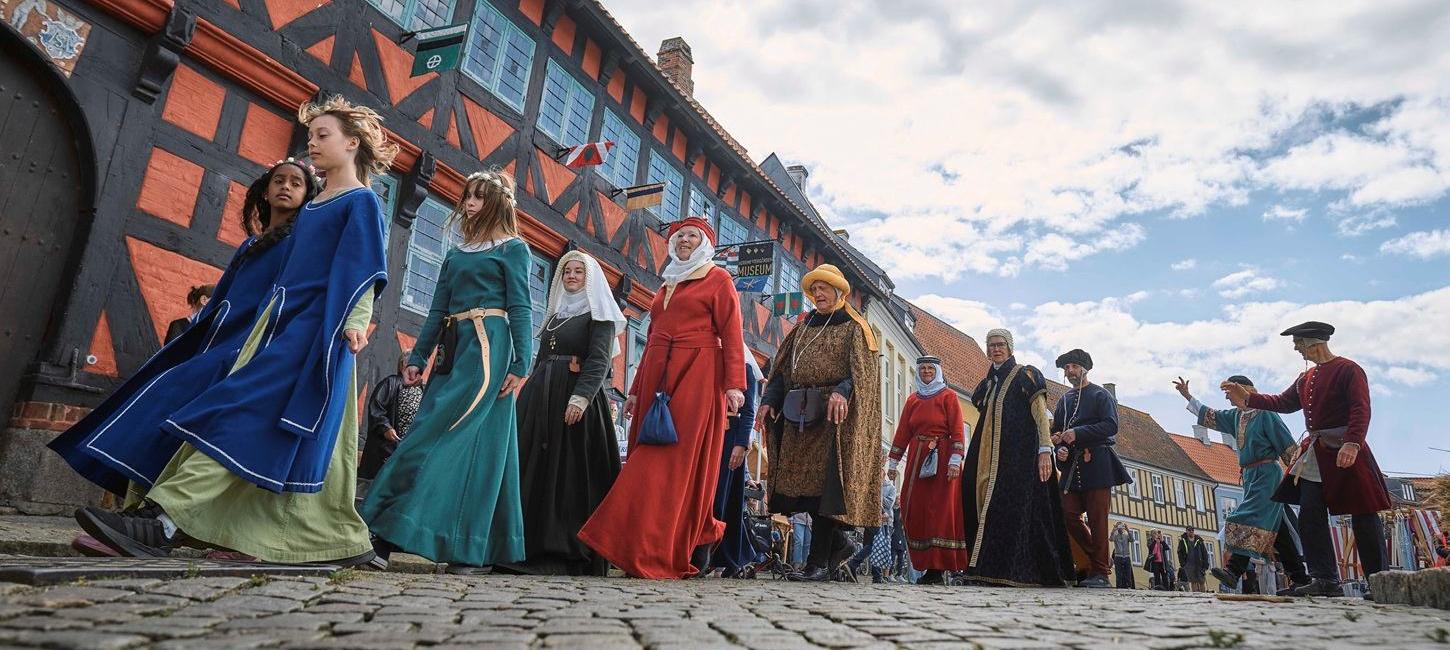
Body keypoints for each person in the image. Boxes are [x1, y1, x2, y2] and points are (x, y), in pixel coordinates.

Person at [69, 97, 395, 565]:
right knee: (254, 421)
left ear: (352, 143)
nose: (313, 144)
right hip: (274, 325)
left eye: (323, 135)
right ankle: (318, 540)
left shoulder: (360, 201)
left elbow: (365, 272)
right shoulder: (313, 206)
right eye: (311, 137)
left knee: (238, 413)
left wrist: (355, 323)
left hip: (314, 331)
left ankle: (163, 522)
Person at [53, 158, 320, 557]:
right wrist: (198, 340)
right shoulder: (250, 245)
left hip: (250, 343)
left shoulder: (298, 244)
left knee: (194, 401)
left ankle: (163, 523)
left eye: (296, 183)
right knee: (162, 392)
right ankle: (141, 513)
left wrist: (252, 348)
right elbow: (221, 300)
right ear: (265, 192)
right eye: (278, 180)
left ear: (307, 196)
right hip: (218, 338)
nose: (286, 187)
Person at [361, 169, 534, 574]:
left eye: (478, 197)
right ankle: (441, 543)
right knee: (438, 439)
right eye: (467, 196)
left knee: (444, 439)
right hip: (451, 350)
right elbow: (438, 309)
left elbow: (521, 307)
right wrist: (418, 356)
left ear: (496, 203)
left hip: (488, 349)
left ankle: (397, 537)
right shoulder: (456, 254)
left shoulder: (514, 249)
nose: (469, 203)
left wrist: (521, 363)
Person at [577, 216, 746, 579]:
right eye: (679, 235)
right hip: (658, 372)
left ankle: (660, 546)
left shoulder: (718, 279)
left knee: (670, 461)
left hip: (698, 373)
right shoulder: (667, 283)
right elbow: (653, 336)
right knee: (647, 450)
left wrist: (734, 384)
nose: (684, 240)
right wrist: (636, 391)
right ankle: (642, 545)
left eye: (692, 236)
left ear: (704, 243)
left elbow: (732, 333)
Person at [1224, 321, 1392, 598]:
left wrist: (1352, 442)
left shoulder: (1348, 369)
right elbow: (1282, 402)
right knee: (1310, 513)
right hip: (1316, 453)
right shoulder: (1306, 377)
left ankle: (1379, 581)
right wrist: (1248, 398)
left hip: (1346, 449)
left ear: (1313, 343)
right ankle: (1324, 579)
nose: (1296, 349)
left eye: (1298, 343)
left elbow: (1360, 408)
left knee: (1364, 514)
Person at [502, 251, 625, 576]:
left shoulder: (599, 316)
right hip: (541, 399)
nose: (571, 276)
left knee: (569, 473)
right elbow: (541, 359)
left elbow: (598, 360)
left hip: (575, 401)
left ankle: (565, 551)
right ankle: (525, 545)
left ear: (590, 278)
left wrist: (581, 398)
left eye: (578, 272)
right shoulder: (555, 316)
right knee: (533, 468)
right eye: (566, 271)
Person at [758, 263, 883, 582]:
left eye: (823, 289)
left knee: (826, 491)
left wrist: (843, 391)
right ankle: (839, 545)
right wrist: (769, 399)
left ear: (839, 292)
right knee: (803, 491)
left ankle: (818, 564)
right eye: (814, 290)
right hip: (800, 414)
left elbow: (864, 374)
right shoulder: (803, 327)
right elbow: (781, 369)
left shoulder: (855, 327)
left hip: (834, 418)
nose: (818, 294)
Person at [1175, 375, 1312, 595]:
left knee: (1246, 517)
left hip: (1267, 476)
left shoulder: (1266, 414)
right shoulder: (1236, 416)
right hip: (1250, 477)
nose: (1227, 397)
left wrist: (1301, 476)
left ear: (1243, 390)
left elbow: (1286, 444)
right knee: (1278, 531)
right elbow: (1210, 416)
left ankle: (1233, 571)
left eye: (1229, 392)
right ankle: (1301, 579)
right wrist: (1187, 396)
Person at [961, 330, 1076, 588]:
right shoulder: (989, 383)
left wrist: (1045, 449)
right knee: (987, 507)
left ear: (1010, 348)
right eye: (992, 345)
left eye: (1000, 345)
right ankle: (988, 570)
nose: (996, 349)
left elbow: (1040, 413)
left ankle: (1017, 572)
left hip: (1020, 457)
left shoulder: (1025, 374)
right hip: (991, 458)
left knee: (1019, 513)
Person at [1051, 349, 1132, 588]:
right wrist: (1060, 449)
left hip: (1097, 462)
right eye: (1066, 368)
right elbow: (1057, 431)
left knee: (1098, 521)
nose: (1070, 371)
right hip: (1072, 465)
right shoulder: (1064, 401)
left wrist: (1078, 433)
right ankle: (1099, 561)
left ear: (1084, 369)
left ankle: (1100, 573)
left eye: (1074, 367)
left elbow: (1110, 425)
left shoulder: (1100, 395)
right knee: (1065, 513)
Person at [886, 356, 966, 584]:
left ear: (937, 371)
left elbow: (957, 429)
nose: (927, 371)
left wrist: (955, 460)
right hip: (917, 459)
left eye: (931, 368)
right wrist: (893, 463)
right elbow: (903, 432)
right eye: (923, 368)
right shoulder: (913, 400)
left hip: (942, 459)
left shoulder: (948, 396)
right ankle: (924, 564)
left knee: (939, 512)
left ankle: (937, 569)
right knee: (914, 507)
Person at [712, 345, 763, 576]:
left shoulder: (746, 368)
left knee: (725, 500)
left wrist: (741, 444)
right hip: (712, 434)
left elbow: (749, 411)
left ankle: (727, 556)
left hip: (731, 439)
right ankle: (730, 555)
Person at [359, 350, 423, 489]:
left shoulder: (421, 389)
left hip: (408, 449)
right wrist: (385, 427)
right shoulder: (391, 383)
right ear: (404, 365)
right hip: (386, 447)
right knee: (376, 485)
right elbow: (376, 408)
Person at [1177, 526, 1209, 592]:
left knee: (1201, 581)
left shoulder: (1199, 540)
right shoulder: (1183, 541)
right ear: (1186, 531)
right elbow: (1180, 553)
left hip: (1199, 563)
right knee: (1193, 581)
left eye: (1192, 530)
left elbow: (1204, 552)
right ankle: (1195, 596)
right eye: (1189, 530)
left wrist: (1206, 563)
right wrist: (1183, 564)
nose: (1191, 531)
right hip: (1189, 564)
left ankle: (1204, 595)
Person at [1110, 523, 1135, 589]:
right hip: (1118, 556)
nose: (1120, 528)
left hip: (1126, 556)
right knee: (1118, 573)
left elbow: (1132, 540)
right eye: (1119, 526)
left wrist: (1127, 530)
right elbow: (1111, 539)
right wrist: (1113, 530)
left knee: (1128, 572)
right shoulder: (1115, 535)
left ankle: (1129, 586)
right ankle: (1119, 587)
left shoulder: (1126, 535)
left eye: (1121, 526)